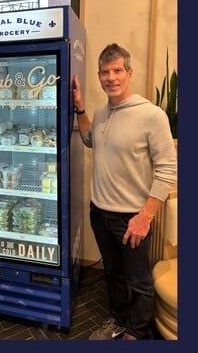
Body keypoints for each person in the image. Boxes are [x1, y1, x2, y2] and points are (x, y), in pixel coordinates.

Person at [72, 43, 177, 340]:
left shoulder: (152, 115)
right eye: (105, 72)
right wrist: (80, 106)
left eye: (117, 70)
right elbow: (90, 138)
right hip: (100, 213)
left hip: (131, 218)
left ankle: (137, 332)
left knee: (140, 281)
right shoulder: (102, 112)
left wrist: (145, 217)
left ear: (129, 73)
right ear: (99, 76)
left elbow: (168, 169)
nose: (111, 77)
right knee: (113, 274)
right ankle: (118, 320)